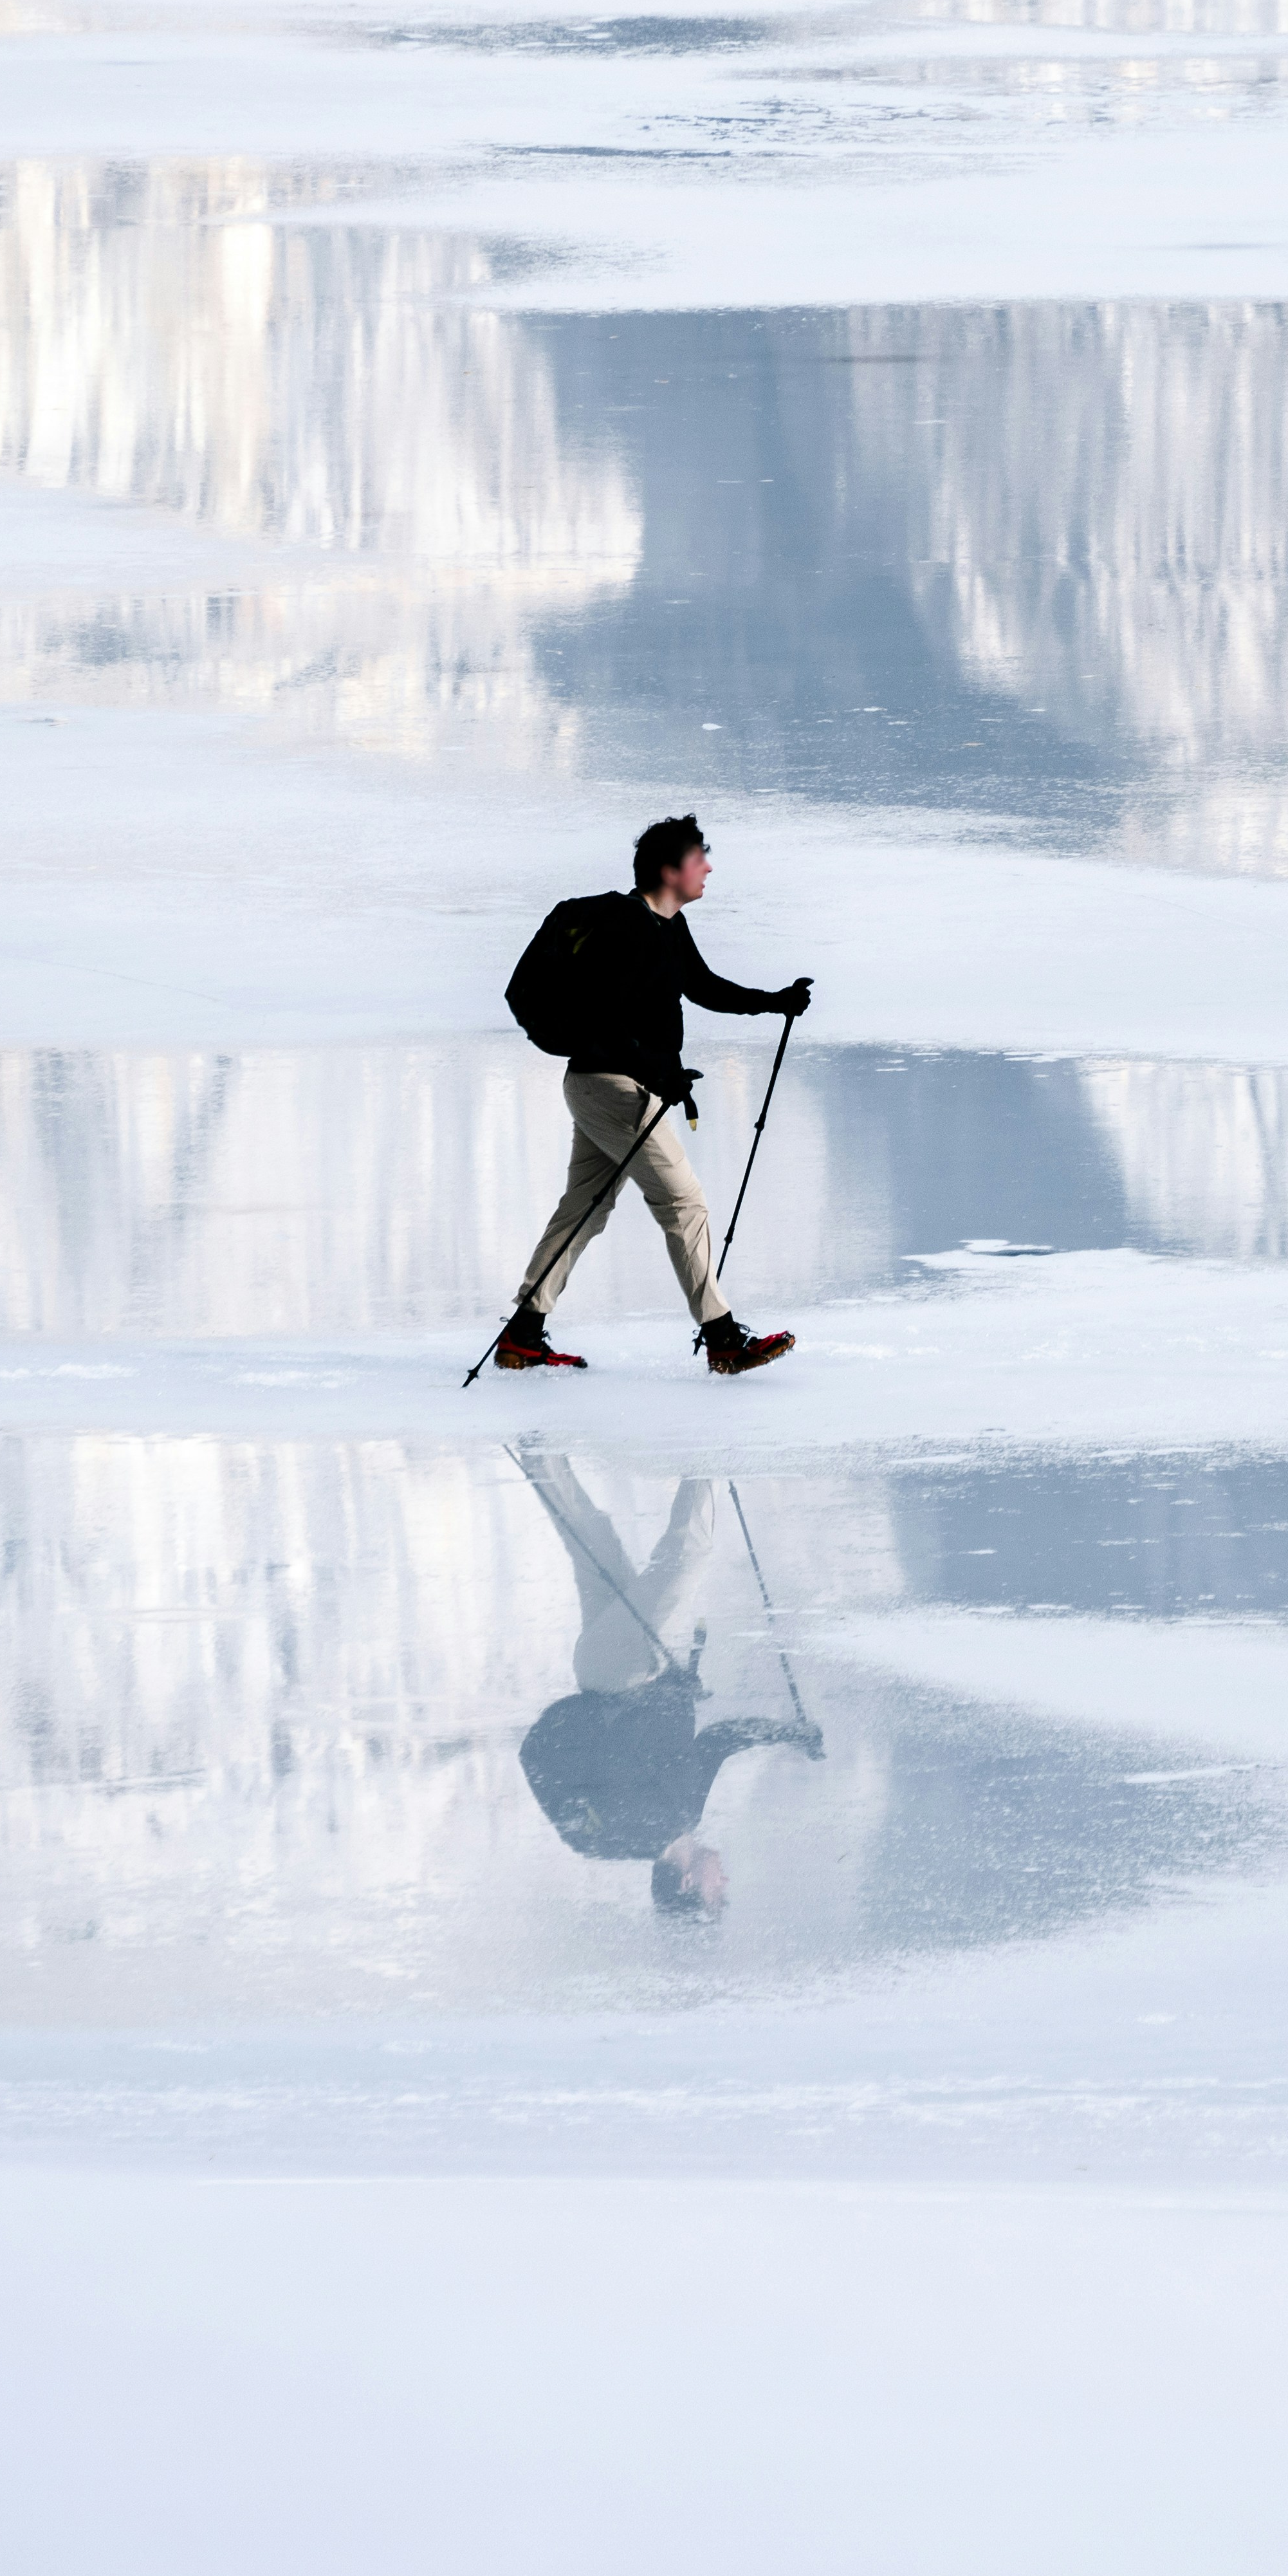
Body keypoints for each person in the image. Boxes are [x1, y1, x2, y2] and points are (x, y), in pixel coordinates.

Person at [489, 811, 809, 1378]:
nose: (707, 867)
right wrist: (658, 1073)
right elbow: (606, 1021)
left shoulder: (667, 926)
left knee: (584, 1208)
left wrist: (774, 1001)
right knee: (682, 1203)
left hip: (605, 1087)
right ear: (668, 870)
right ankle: (724, 1338)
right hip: (615, 1089)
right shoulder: (627, 930)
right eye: (697, 859)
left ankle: (523, 1335)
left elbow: (704, 986)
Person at [508, 1442, 816, 1918]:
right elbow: (713, 1741)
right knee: (593, 1543)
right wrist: (600, 1708)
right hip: (601, 1670)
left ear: (689, 1882)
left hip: (628, 1668)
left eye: (718, 1893)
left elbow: (706, 1741)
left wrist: (789, 1735)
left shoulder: (663, 1820)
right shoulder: (622, 1836)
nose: (725, 1881)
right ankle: (538, 1451)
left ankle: (706, 1444)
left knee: (688, 1554)